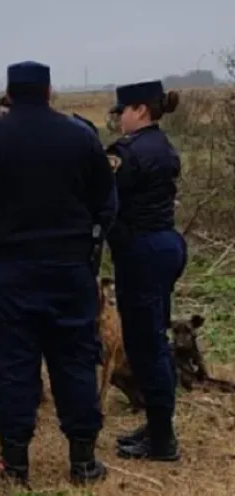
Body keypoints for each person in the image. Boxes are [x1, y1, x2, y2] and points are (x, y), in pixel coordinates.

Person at [0, 61, 117, 486]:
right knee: (75, 360)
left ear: (9, 91)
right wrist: (88, 254)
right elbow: (108, 207)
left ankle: (15, 466)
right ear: (49, 90)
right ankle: (83, 461)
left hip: (7, 273)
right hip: (69, 271)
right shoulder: (81, 137)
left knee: (12, 367)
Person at [104, 81, 186, 462]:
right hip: (165, 245)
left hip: (142, 251)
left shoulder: (128, 153)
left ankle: (162, 438)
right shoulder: (164, 146)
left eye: (120, 111)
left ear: (139, 109)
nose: (118, 119)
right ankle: (156, 425)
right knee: (155, 336)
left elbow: (102, 197)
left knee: (145, 345)